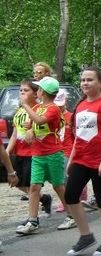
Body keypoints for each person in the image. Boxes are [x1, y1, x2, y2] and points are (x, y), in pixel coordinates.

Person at [64, 66, 101, 256]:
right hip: (81, 158)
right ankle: (86, 236)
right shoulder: (80, 105)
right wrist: (71, 159)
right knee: (70, 196)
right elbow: (79, 135)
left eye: (89, 80)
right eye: (83, 80)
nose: (85, 83)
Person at [16, 76, 72, 235]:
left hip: (53, 153)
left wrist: (25, 105)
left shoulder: (53, 108)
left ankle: (71, 215)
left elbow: (40, 121)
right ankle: (32, 220)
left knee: (58, 185)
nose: (37, 91)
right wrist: (29, 129)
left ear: (43, 92)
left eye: (38, 89)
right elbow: (32, 124)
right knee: (34, 187)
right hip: (37, 154)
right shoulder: (37, 107)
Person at [6, 79, 52, 213]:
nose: (22, 93)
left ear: (36, 93)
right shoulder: (20, 111)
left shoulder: (40, 109)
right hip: (19, 152)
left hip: (33, 153)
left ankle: (33, 217)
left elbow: (44, 129)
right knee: (17, 182)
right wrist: (8, 151)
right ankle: (44, 198)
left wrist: (32, 129)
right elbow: (15, 133)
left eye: (26, 90)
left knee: (32, 186)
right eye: (20, 90)